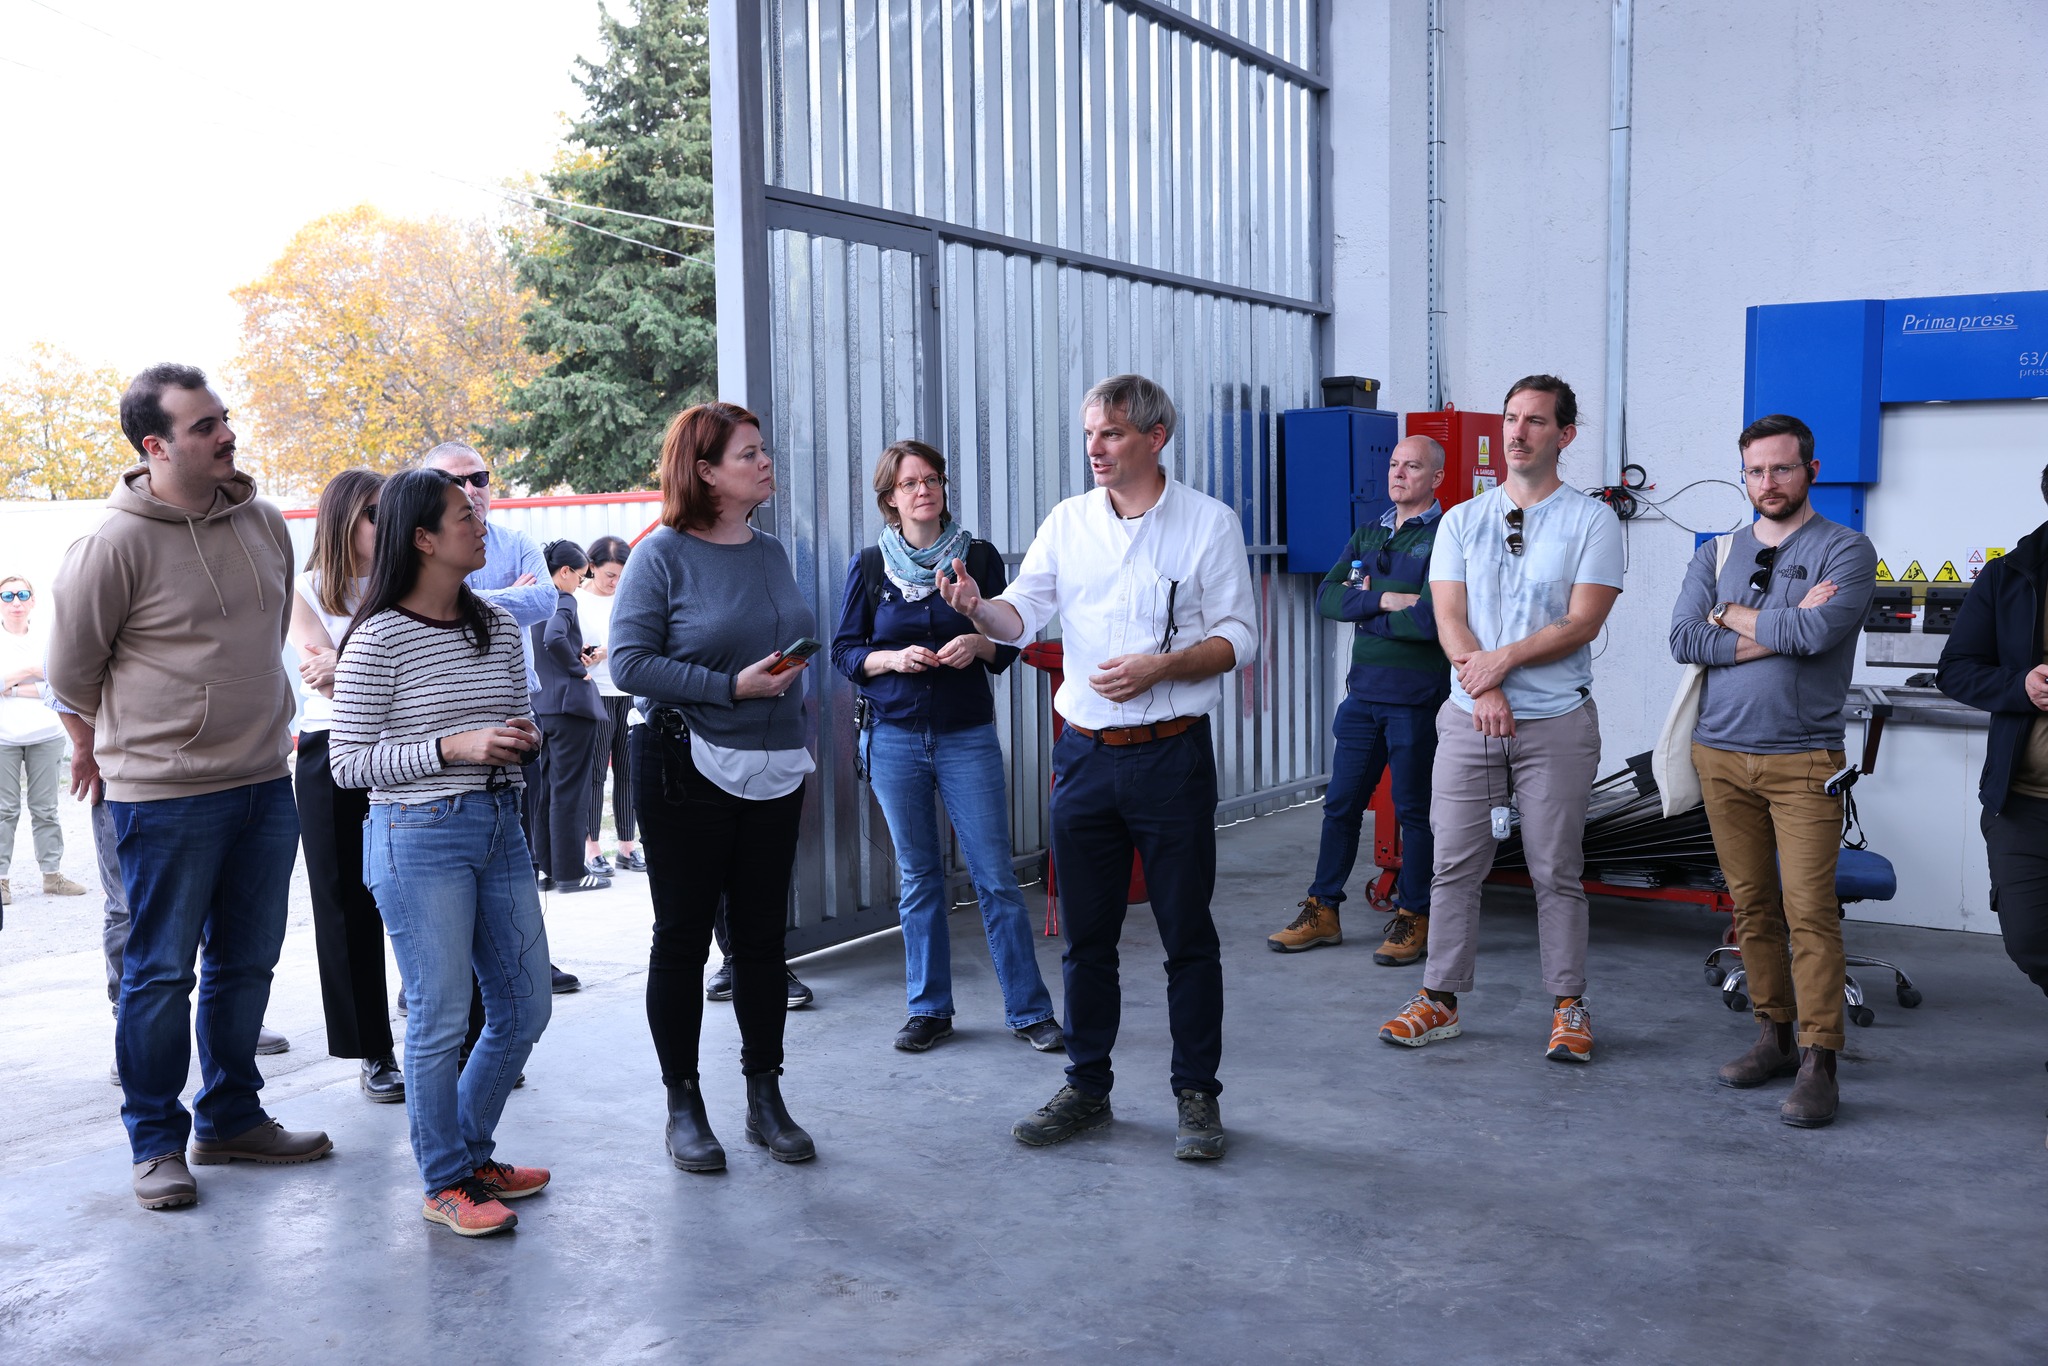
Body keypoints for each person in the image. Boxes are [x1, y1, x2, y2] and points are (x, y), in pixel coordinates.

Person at [939, 373, 1258, 1161]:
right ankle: (1087, 1086)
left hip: (1171, 756)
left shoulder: (1208, 524)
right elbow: (1021, 617)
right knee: (1086, 941)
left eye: (1110, 433)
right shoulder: (1069, 521)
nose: (1095, 448)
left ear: (1155, 437)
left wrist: (1165, 667)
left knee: (1187, 936)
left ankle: (1196, 1094)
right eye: (1089, 434)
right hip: (1083, 757)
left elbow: (1239, 637)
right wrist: (978, 608)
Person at [49, 363, 330, 1212]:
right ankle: (155, 1144)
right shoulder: (112, 545)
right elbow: (71, 675)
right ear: (156, 445)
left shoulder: (263, 521)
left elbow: (271, 629)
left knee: (246, 963)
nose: (226, 433)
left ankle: (231, 1118)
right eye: (204, 425)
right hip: (163, 795)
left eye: (224, 417)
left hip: (263, 781)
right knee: (160, 975)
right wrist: (93, 749)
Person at [329, 467, 553, 1237]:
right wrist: (453, 746)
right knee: (440, 1017)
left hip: (499, 823)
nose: (481, 523)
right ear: (423, 538)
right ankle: (445, 1180)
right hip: (416, 837)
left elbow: (519, 716)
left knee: (526, 1006)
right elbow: (347, 764)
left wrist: (522, 738)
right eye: (465, 515)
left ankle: (468, 1154)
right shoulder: (377, 638)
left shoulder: (496, 623)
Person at [1375, 374, 1623, 1064]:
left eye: (1535, 421)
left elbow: (1583, 621)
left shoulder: (1591, 522)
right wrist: (1481, 690)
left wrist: (1500, 665)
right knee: (1452, 865)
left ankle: (1568, 1005)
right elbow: (1449, 616)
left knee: (1555, 869)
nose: (1518, 432)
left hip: (1556, 722)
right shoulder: (1462, 520)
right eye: (1511, 418)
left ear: (1564, 435)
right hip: (1468, 718)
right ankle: (1439, 999)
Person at [611, 401, 818, 1172]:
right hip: (682, 767)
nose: (765, 463)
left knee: (763, 939)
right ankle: (684, 1106)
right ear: (704, 471)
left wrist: (778, 676)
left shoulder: (772, 551)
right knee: (683, 937)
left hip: (773, 765)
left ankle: (765, 1098)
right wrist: (731, 687)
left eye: (764, 450)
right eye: (748, 454)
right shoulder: (659, 556)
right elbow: (628, 664)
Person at [1670, 414, 1876, 1127]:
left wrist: (1728, 617)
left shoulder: (1846, 549)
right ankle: (1775, 1037)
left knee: (1809, 912)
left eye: (1782, 468)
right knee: (1752, 908)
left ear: (1811, 470)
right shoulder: (1717, 551)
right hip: (1720, 755)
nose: (1768, 482)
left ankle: (1821, 1061)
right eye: (1755, 471)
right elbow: (1683, 638)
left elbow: (1817, 633)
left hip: (1804, 759)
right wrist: (1766, 619)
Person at [831, 438, 1062, 1054]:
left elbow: (1010, 642)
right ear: (890, 498)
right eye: (910, 483)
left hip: (967, 738)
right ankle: (929, 1009)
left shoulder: (977, 558)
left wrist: (980, 644)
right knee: (919, 878)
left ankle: (1029, 1011)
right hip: (893, 739)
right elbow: (845, 652)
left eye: (932, 479)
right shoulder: (870, 566)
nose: (924, 490)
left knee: (995, 877)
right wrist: (890, 659)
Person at [1269, 435, 1450, 963]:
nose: (1398, 473)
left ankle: (1414, 915)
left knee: (1414, 812)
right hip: (1362, 697)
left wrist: (1365, 612)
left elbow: (1430, 621)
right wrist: (1386, 600)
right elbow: (1328, 597)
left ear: (1436, 478)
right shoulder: (1368, 532)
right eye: (1393, 464)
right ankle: (1323, 909)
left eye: (1412, 466)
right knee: (1341, 805)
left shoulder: (1447, 536)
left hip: (1416, 699)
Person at [421, 442, 578, 996]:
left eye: (479, 477)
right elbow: (425, 606)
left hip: (514, 711)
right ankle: (438, 972)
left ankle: (526, 959)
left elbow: (546, 604)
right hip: (442, 721)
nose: (471, 490)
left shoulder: (518, 542)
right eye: (455, 480)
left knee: (517, 845)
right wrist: (505, 596)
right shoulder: (416, 547)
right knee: (447, 853)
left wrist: (463, 596)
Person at [1938, 462, 2048, 1147]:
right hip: (2024, 801)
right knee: (2030, 938)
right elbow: (1956, 669)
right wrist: (2021, 685)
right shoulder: (2010, 577)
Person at [288, 468, 404, 1103]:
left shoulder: (413, 578)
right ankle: (372, 1051)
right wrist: (377, 665)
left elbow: (353, 673)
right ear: (342, 521)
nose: (388, 524)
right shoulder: (306, 587)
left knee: (431, 894)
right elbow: (323, 682)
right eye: (374, 514)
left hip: (408, 751)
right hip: (330, 750)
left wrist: (348, 661)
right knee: (344, 906)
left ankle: (466, 1038)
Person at [529, 539, 609, 893]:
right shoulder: (563, 599)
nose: (581, 583)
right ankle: (571, 874)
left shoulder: (535, 599)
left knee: (546, 792)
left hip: (542, 707)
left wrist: (576, 655)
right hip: (570, 707)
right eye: (580, 576)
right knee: (570, 793)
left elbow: (546, 643)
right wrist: (578, 670)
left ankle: (548, 870)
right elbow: (554, 637)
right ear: (564, 572)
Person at [0, 576, 85, 904]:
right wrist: (33, 670)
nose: (16, 601)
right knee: (4, 810)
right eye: (8, 595)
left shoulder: (49, 637)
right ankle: (1, 881)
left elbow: (59, 683)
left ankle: (52, 876)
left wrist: (11, 686)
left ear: (33, 601)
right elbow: (43, 677)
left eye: (23, 594)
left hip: (46, 736)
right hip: (4, 739)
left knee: (46, 809)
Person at [578, 535, 642, 875]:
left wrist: (610, 652)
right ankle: (591, 848)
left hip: (629, 693)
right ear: (592, 567)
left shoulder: (630, 596)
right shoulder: (575, 600)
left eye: (621, 575)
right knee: (595, 774)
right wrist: (587, 656)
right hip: (594, 696)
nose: (615, 582)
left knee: (629, 772)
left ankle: (628, 846)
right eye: (609, 575)